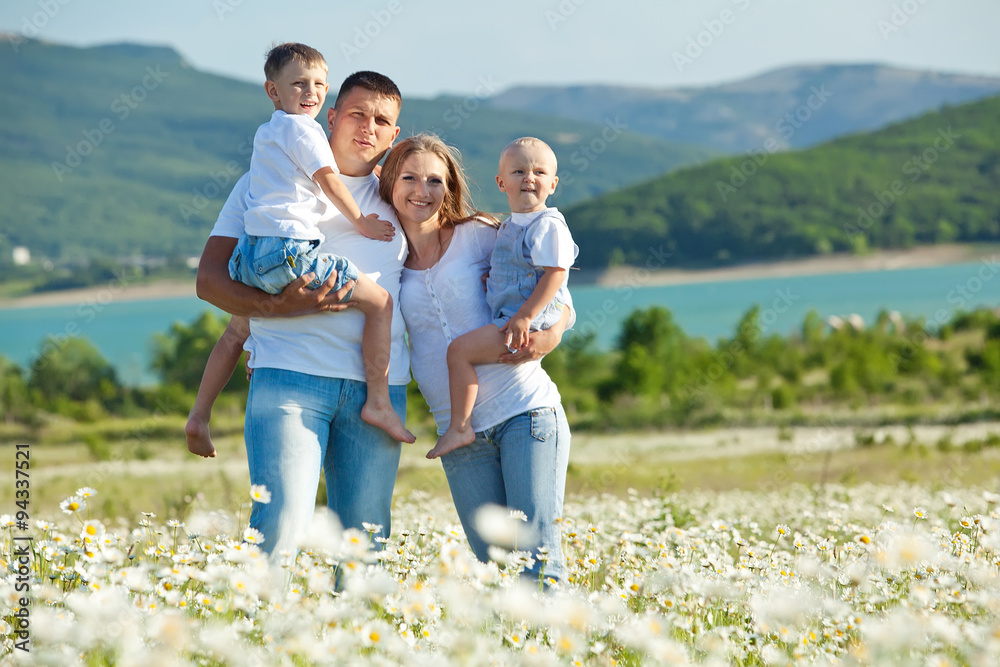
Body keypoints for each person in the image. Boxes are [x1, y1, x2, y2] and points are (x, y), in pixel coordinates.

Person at [194, 71, 409, 560]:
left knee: (366, 542)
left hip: (378, 391)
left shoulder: (405, 196)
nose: (368, 127)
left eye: (382, 120)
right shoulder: (263, 182)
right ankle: (257, 633)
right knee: (278, 527)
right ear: (330, 117)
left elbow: (462, 260)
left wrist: (558, 309)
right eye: (357, 113)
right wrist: (277, 306)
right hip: (289, 378)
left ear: (394, 135)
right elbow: (209, 282)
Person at [380, 133, 573, 583]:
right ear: (390, 183)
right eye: (409, 178)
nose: (421, 191)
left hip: (524, 412)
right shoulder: (384, 258)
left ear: (450, 187)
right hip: (458, 434)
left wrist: (553, 334)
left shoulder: (483, 235)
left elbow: (555, 288)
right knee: (495, 571)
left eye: (434, 180)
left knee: (537, 558)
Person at [427, 137, 578, 459]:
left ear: (553, 183)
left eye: (539, 172)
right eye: (519, 171)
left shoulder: (547, 225)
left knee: (459, 352)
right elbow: (521, 269)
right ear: (501, 182)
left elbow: (556, 275)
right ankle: (462, 425)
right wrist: (495, 279)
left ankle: (460, 426)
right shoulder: (511, 225)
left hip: (526, 317)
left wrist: (524, 317)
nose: (529, 178)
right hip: (517, 312)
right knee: (461, 353)